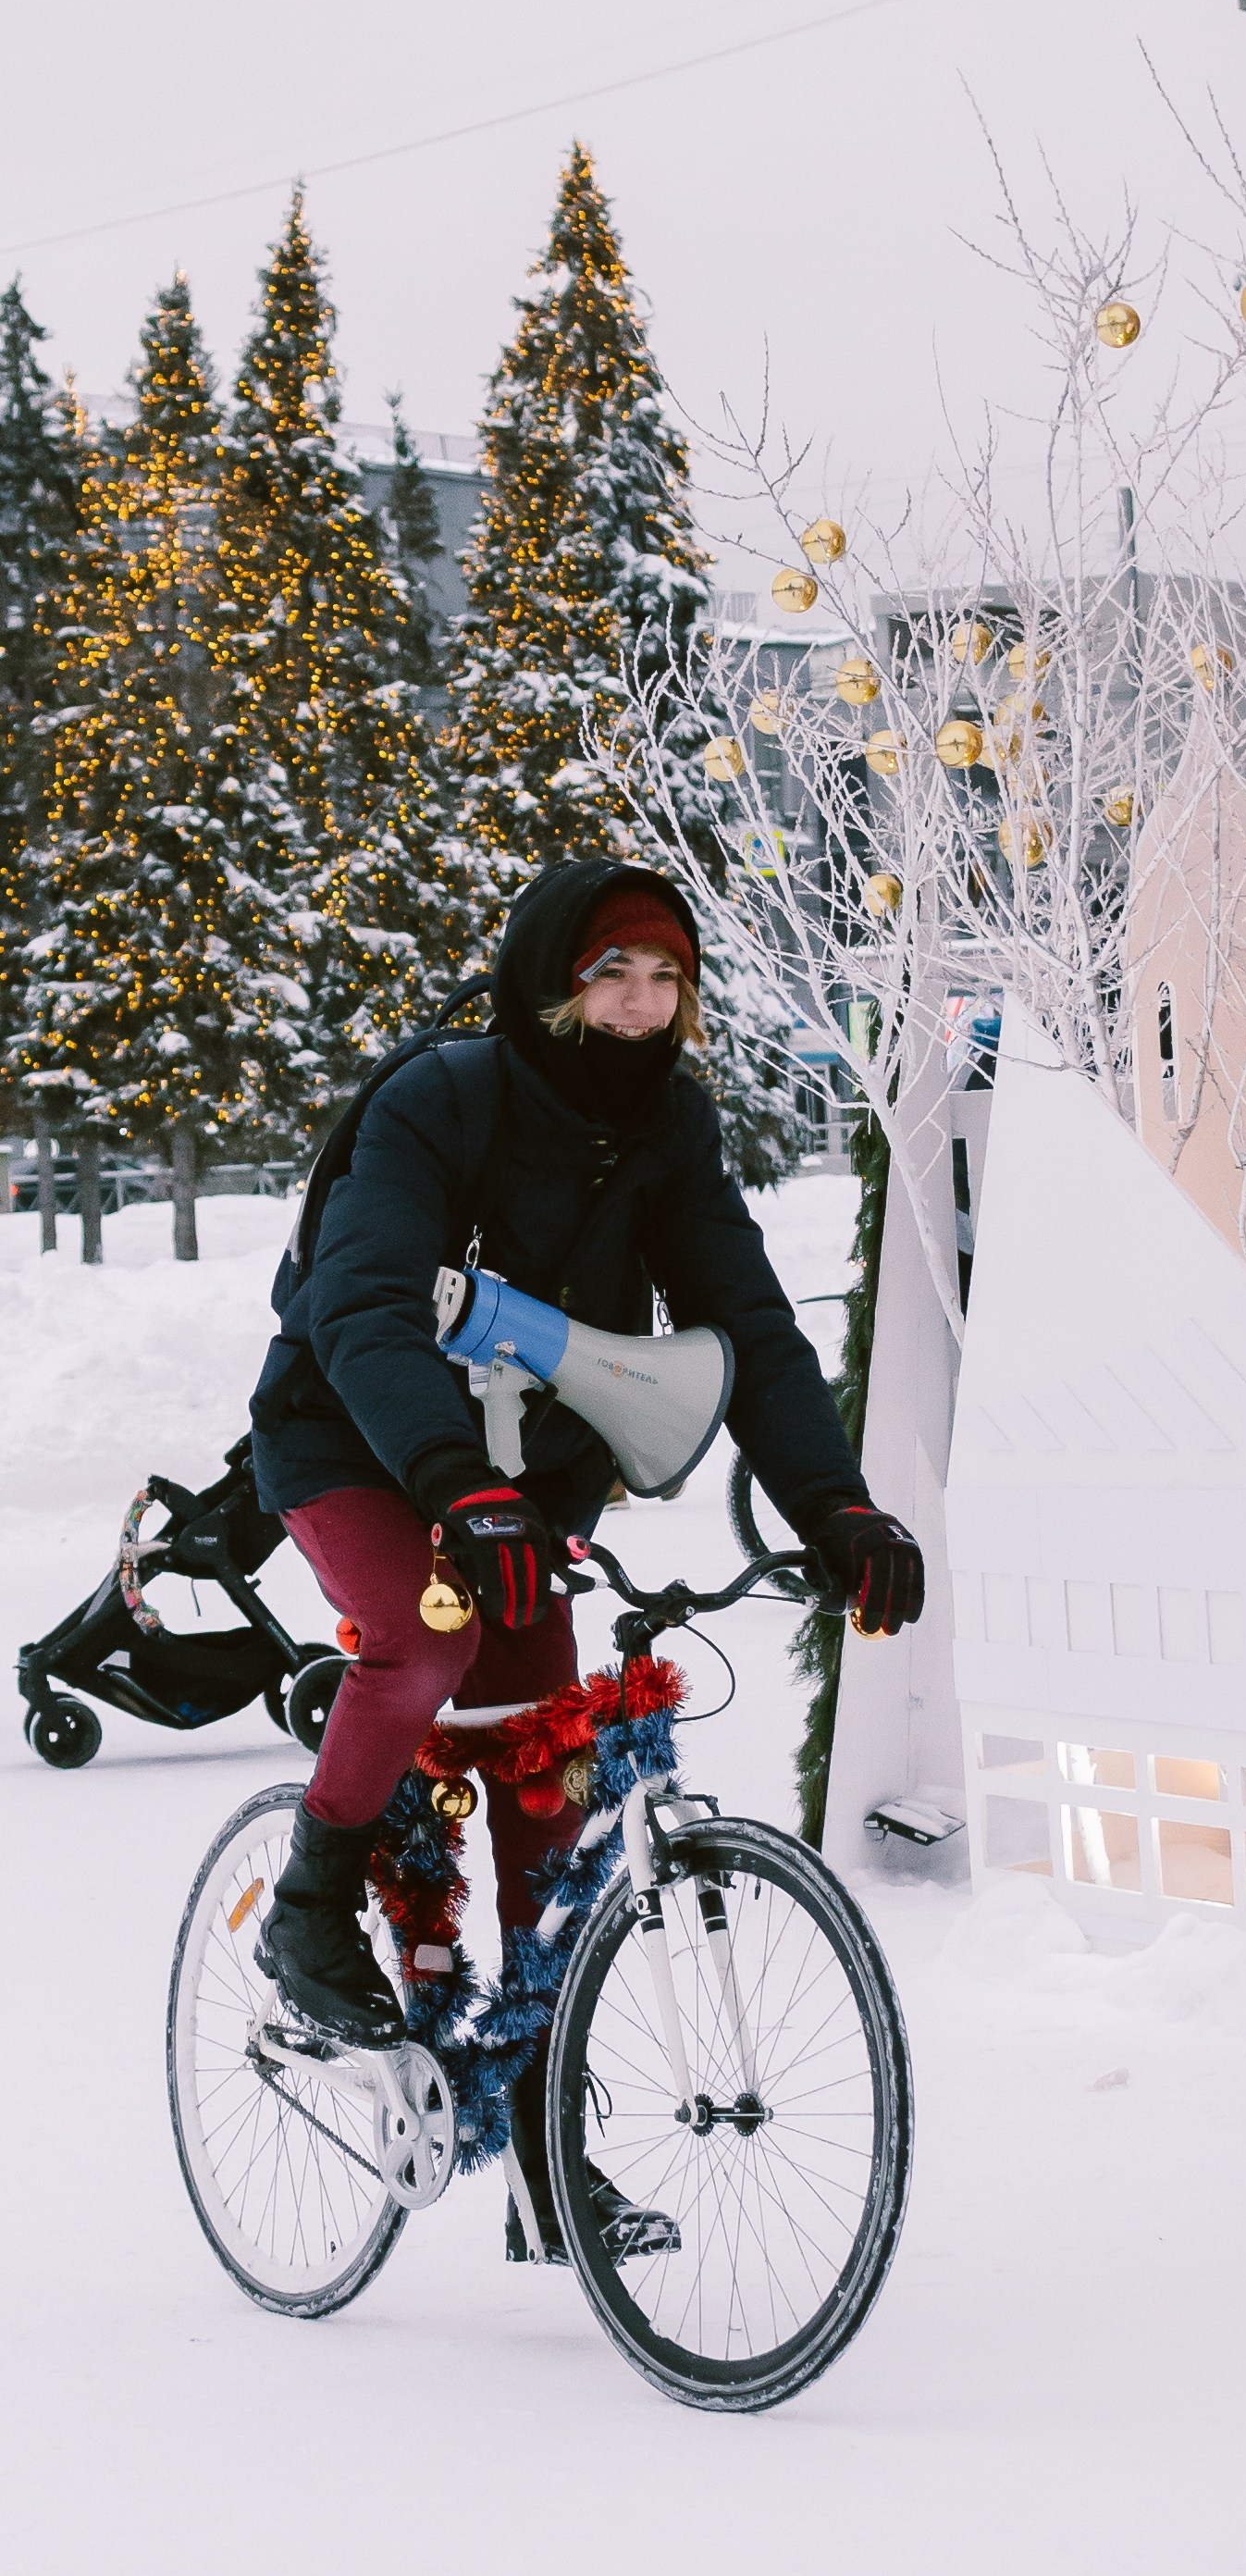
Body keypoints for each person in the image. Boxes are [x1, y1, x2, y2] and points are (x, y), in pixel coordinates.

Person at [246, 858, 922, 2260]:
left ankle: (547, 2155)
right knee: (424, 1639)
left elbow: (749, 1327)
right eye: (614, 973)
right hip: (355, 1444)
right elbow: (361, 1306)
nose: (641, 1003)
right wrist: (456, 1483)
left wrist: (836, 1508)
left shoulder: (670, 1127)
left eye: (667, 978)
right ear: (556, 985)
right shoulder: (440, 1100)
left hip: (523, 1487)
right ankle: (308, 1912)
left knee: (546, 1796)